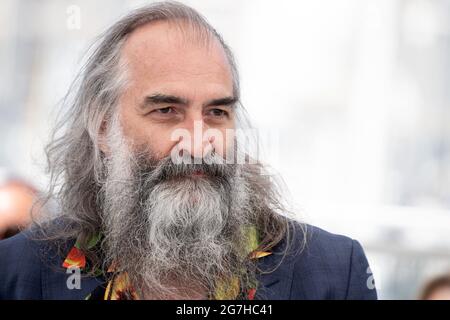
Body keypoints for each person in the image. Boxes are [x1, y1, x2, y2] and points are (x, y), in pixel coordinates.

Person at [0, 1, 377, 300]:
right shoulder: (18, 274)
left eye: (216, 112)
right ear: (103, 129)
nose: (197, 143)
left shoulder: (332, 275)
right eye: (167, 111)